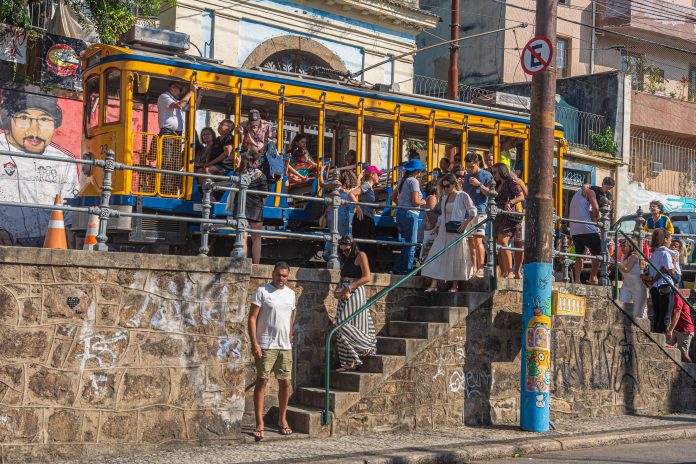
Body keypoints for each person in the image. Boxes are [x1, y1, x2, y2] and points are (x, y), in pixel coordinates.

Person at [0, 91, 79, 246]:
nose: (34, 131)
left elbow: (70, 210)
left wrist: (70, 230)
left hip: (50, 245)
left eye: (44, 119)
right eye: (24, 118)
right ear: (8, 120)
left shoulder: (64, 161)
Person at [248, 262, 296, 441]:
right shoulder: (263, 291)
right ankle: (259, 422)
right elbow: (252, 318)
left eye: (284, 275)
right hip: (266, 344)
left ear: (288, 276)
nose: (281, 278)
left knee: (285, 383)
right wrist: (255, 343)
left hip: (285, 346)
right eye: (278, 274)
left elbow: (290, 317)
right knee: (262, 381)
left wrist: (290, 336)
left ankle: (282, 419)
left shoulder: (291, 294)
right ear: (273, 273)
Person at [422, 174, 476, 292]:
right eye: (444, 186)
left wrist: (465, 223)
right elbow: (442, 215)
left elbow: (473, 211)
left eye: (448, 185)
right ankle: (433, 285)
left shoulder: (463, 195)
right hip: (443, 231)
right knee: (437, 254)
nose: (446, 188)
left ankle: (454, 286)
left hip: (456, 230)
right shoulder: (445, 197)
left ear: (454, 184)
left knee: (455, 257)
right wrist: (436, 227)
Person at [333, 236, 377, 371]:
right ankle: (350, 361)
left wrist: (349, 288)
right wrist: (337, 290)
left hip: (354, 291)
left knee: (341, 324)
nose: (345, 252)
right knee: (347, 326)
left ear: (352, 246)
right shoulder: (346, 259)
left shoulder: (360, 255)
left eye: (347, 250)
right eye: (343, 250)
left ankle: (366, 345)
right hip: (344, 292)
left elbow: (367, 277)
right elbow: (342, 277)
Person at [229, 149, 267, 264]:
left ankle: (242, 263)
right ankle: (256, 264)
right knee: (256, 238)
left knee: (243, 237)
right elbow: (264, 195)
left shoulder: (238, 173)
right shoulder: (261, 175)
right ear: (256, 161)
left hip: (241, 207)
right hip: (256, 207)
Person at [391, 159, 426, 275]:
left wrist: (401, 203)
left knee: (406, 243)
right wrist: (424, 202)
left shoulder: (402, 180)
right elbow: (415, 201)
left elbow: (392, 196)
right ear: (417, 171)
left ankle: (397, 268)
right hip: (410, 214)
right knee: (412, 244)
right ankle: (406, 270)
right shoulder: (413, 182)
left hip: (400, 213)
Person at [462, 151, 494, 277]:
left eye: (471, 167)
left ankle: (481, 267)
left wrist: (479, 184)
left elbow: (491, 193)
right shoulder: (466, 177)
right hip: (467, 212)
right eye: (468, 167)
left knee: (478, 240)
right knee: (470, 241)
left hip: (480, 211)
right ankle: (473, 267)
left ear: (478, 163)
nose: (469, 170)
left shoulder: (486, 175)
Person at [492, 163, 524, 279]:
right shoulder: (497, 184)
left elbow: (521, 196)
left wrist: (510, 202)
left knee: (504, 241)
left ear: (501, 171)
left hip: (510, 216)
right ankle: (504, 272)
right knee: (500, 243)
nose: (493, 175)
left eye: (495, 172)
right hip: (499, 216)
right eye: (493, 172)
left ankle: (512, 271)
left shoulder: (511, 181)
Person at [641, 228, 676, 334]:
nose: (670, 242)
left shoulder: (655, 253)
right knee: (666, 314)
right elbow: (671, 271)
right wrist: (674, 262)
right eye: (670, 239)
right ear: (665, 239)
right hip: (664, 285)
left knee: (658, 314)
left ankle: (657, 336)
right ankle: (663, 338)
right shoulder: (665, 253)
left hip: (655, 287)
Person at [568, 183, 601, 284]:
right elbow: (595, 208)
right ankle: (593, 277)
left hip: (574, 229)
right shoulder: (591, 192)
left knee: (579, 255)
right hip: (586, 228)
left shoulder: (577, 194)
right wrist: (598, 218)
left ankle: (577, 280)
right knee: (598, 253)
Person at [352, 165, 382, 264]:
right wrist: (358, 208)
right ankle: (358, 267)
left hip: (368, 218)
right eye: (378, 174)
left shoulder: (370, 188)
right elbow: (352, 193)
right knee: (363, 246)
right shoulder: (366, 185)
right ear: (372, 175)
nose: (379, 177)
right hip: (363, 219)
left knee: (370, 246)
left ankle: (366, 268)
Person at [618, 239, 647, 319]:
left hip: (638, 287)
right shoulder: (623, 257)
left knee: (638, 313)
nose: (622, 248)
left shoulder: (634, 257)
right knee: (622, 308)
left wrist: (615, 263)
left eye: (624, 246)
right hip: (626, 286)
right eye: (621, 246)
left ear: (631, 247)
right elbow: (624, 274)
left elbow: (626, 269)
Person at [666, 289, 694, 363]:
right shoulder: (670, 296)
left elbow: (677, 313)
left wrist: (670, 330)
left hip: (685, 330)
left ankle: (693, 372)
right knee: (666, 347)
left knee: (683, 355)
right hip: (676, 328)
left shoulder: (677, 296)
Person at [511, 173, 528, 279]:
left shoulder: (519, 183)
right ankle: (511, 270)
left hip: (518, 216)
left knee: (519, 245)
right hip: (506, 217)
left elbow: (527, 196)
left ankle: (517, 270)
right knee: (506, 245)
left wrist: (520, 183)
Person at [419, 179, 440, 263]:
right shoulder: (432, 198)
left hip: (430, 228)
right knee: (428, 253)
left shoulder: (431, 197)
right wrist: (436, 226)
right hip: (430, 229)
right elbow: (430, 214)